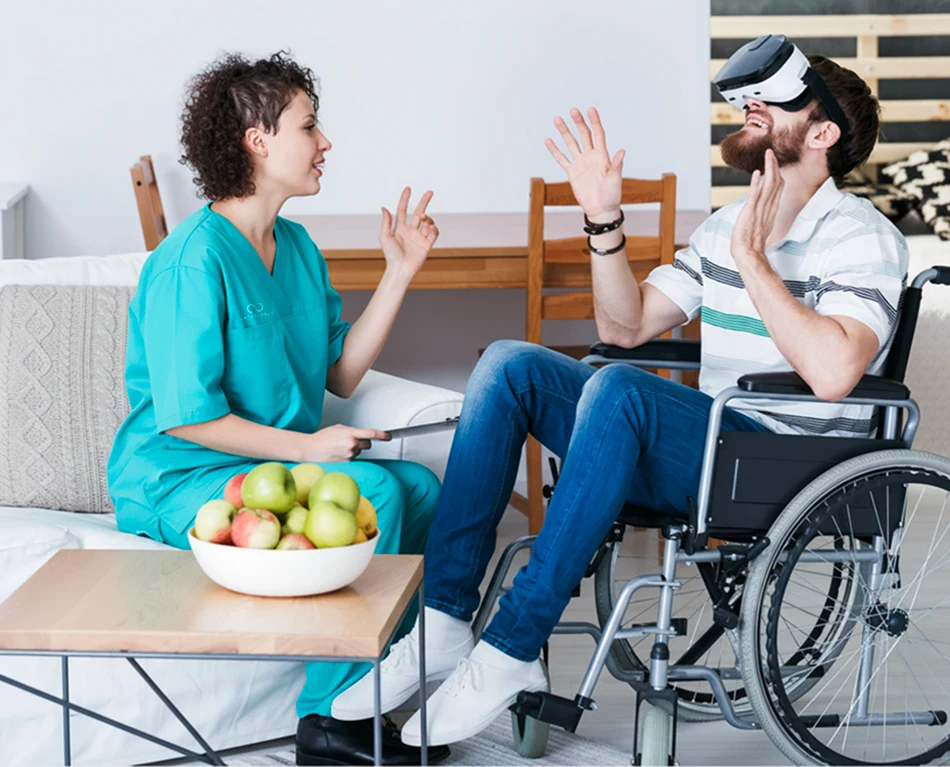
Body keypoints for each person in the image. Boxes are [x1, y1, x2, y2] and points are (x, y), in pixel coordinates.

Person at [329, 52, 909, 748]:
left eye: (776, 101)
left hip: (789, 459)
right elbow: (623, 325)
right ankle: (446, 621)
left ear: (823, 134)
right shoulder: (726, 228)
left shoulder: (863, 237)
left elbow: (836, 371)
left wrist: (757, 263)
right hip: (713, 445)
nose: (752, 107)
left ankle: (512, 646)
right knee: (511, 363)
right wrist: (604, 220)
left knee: (621, 389)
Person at [107, 51, 451, 766]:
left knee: (421, 490)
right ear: (257, 141)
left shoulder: (295, 246)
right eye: (309, 126)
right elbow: (184, 416)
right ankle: (327, 722)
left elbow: (342, 373)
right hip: (180, 475)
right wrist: (308, 448)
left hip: (267, 467)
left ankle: (377, 699)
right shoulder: (188, 261)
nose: (325, 143)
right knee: (379, 491)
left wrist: (400, 273)